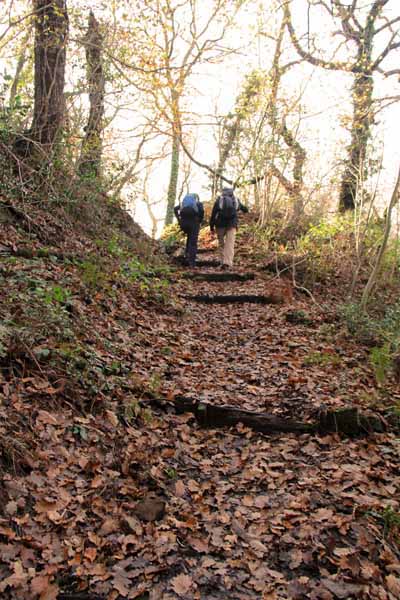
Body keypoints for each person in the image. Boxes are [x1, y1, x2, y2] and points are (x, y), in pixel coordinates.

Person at [210, 187, 248, 269]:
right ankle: (228, 263)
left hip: (220, 224)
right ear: (232, 192)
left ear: (223, 192)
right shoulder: (236, 200)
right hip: (232, 224)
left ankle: (222, 261)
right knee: (230, 244)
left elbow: (213, 214)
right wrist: (245, 210)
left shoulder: (219, 200)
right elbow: (245, 209)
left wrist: (211, 227)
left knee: (221, 244)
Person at [174, 193, 204, 267]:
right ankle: (192, 263)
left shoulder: (183, 204)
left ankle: (187, 254)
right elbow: (202, 212)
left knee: (189, 237)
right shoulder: (198, 203)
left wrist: (179, 219)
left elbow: (175, 209)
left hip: (184, 223)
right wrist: (199, 220)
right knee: (193, 242)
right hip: (194, 223)